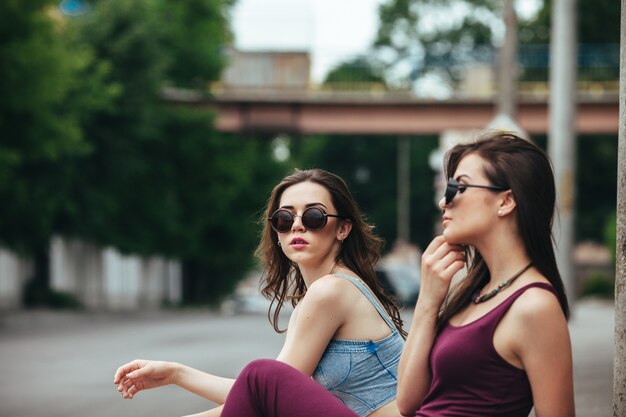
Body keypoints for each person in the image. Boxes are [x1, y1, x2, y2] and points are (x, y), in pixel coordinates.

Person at [114, 168, 406, 417]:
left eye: (314, 217)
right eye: (284, 219)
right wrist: (176, 374)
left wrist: (178, 376)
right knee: (261, 378)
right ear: (276, 232)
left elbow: (263, 393)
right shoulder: (332, 288)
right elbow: (257, 399)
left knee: (261, 374)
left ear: (343, 229)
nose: (298, 226)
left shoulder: (331, 290)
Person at [397, 132, 575, 417]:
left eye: (459, 187)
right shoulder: (474, 292)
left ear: (505, 202)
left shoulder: (534, 306)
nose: (445, 201)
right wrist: (428, 301)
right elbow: (407, 402)